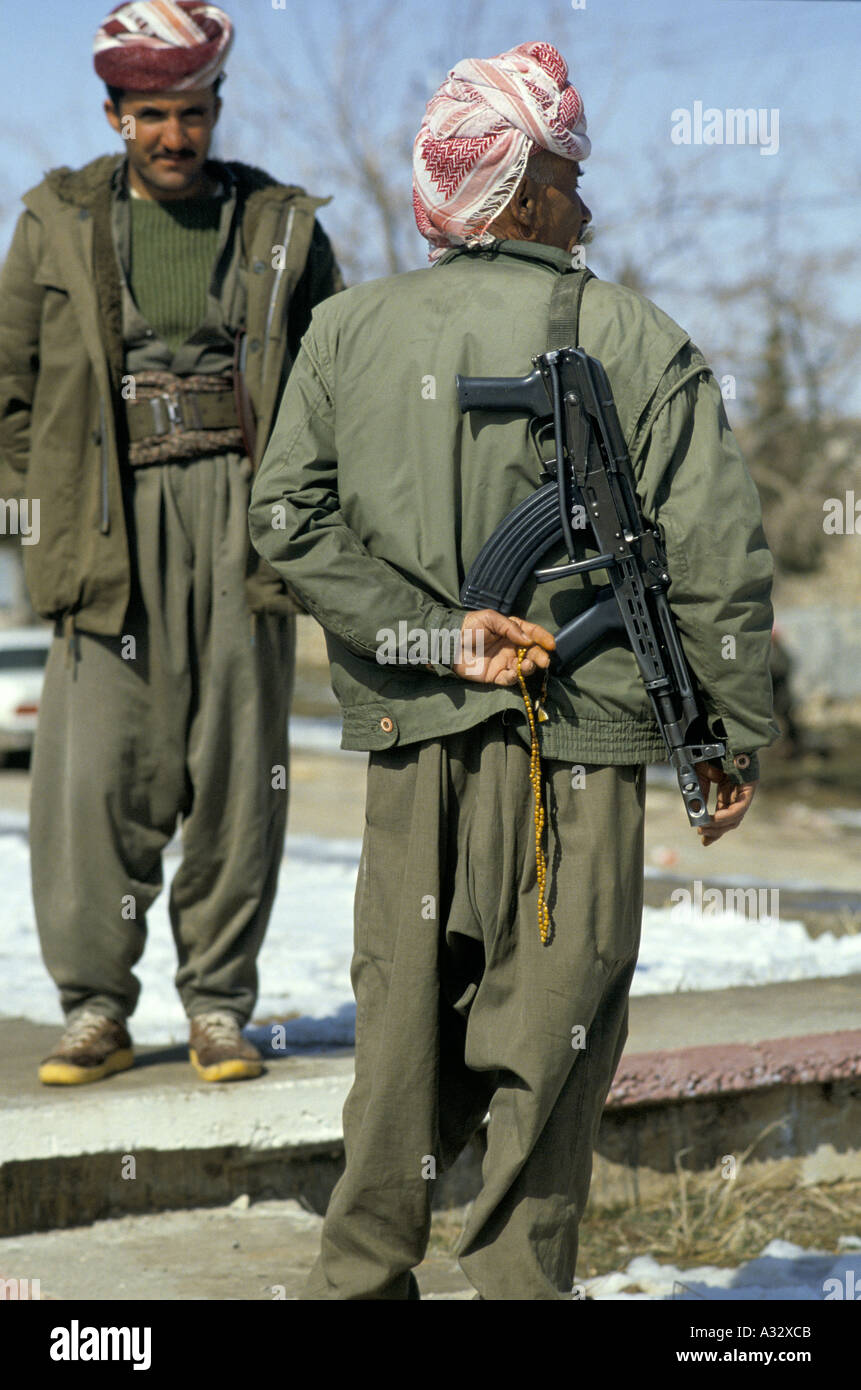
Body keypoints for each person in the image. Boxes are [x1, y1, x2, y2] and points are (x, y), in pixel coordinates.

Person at [249, 41, 777, 1299]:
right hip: (582, 753)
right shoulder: (638, 335)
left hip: (410, 741)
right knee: (552, 1046)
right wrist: (730, 730)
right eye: (571, 175)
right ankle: (517, 1291)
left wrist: (435, 635)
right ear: (524, 193)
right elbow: (714, 547)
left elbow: (285, 522)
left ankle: (361, 1277)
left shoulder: (342, 333)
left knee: (399, 1043)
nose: (588, 203)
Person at [0, 0, 342, 1086]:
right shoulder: (52, 221)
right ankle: (95, 1005)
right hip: (108, 530)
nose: (175, 135)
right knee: (97, 777)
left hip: (244, 520)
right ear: (114, 113)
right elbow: (6, 396)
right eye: (152, 113)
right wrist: (39, 528)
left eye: (192, 111)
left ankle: (220, 1008)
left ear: (215, 108)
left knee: (240, 779)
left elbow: (334, 391)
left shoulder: (283, 224)